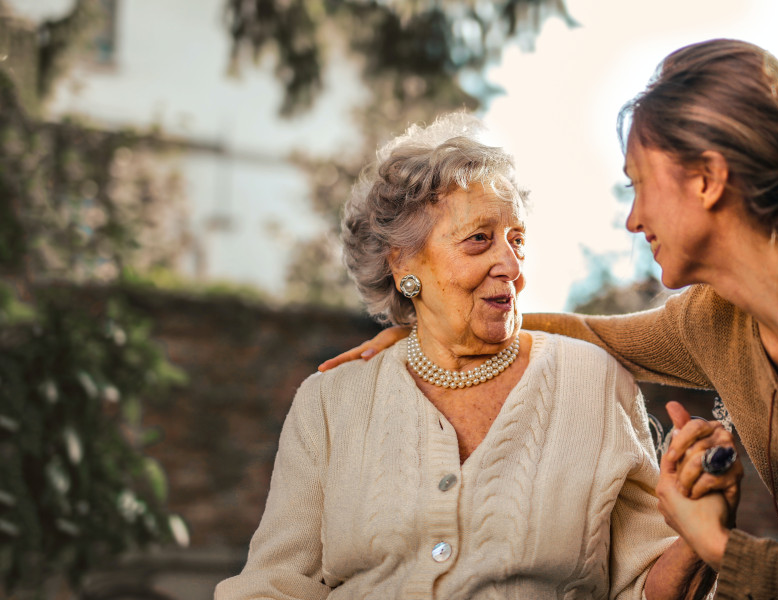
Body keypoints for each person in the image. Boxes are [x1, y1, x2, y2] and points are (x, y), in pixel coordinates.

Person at [319, 40, 778, 599]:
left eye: (639, 184)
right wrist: (433, 324)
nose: (633, 219)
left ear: (707, 179)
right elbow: (588, 334)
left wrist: (717, 544)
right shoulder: (719, 318)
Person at [216, 113, 732, 600]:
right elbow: (274, 584)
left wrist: (697, 536)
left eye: (517, 240)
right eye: (479, 240)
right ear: (403, 264)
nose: (510, 264)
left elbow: (646, 587)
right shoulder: (331, 402)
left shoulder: (593, 382)